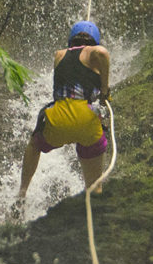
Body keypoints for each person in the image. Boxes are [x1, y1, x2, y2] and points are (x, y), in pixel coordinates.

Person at [17, 20, 111, 206]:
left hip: (58, 119)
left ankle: (22, 192)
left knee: (35, 145)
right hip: (86, 121)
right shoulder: (93, 52)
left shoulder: (59, 55)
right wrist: (105, 89)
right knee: (94, 186)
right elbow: (101, 53)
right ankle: (94, 209)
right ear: (95, 41)